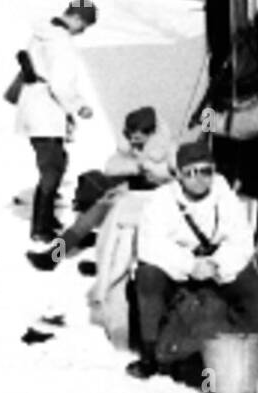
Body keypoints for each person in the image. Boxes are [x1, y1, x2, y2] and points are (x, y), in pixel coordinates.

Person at [126, 139, 258, 379]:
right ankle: (150, 354)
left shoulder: (226, 198)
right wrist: (190, 265)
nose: (199, 178)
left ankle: (250, 348)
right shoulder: (161, 201)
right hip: (178, 268)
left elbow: (242, 241)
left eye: (206, 171)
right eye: (191, 173)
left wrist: (217, 264)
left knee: (249, 281)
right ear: (179, 175)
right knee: (148, 276)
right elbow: (151, 245)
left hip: (216, 266)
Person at [27, 105, 174, 271]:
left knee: (123, 231)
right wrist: (135, 168)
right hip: (129, 190)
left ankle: (106, 267)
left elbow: (168, 179)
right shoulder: (131, 145)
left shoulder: (166, 151)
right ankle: (53, 255)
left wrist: (145, 173)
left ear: (149, 134)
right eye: (130, 137)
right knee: (90, 216)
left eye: (137, 138)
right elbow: (112, 167)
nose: (133, 142)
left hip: (152, 202)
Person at [15, 0, 98, 243]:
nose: (83, 31)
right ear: (76, 18)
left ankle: (47, 218)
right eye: (85, 25)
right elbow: (61, 84)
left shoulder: (42, 34)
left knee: (57, 161)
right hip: (46, 110)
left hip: (33, 105)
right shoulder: (61, 42)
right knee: (51, 167)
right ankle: (41, 227)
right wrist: (79, 106)